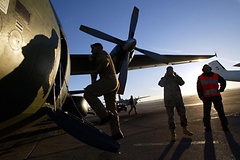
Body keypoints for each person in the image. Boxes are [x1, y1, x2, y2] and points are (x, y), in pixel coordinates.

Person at [84, 43, 124, 140]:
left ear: (98, 48)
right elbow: (92, 58)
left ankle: (104, 115)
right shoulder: (99, 54)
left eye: (92, 48)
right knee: (112, 108)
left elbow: (104, 62)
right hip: (113, 82)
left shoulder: (103, 53)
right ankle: (116, 133)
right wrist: (93, 56)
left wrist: (96, 71)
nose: (91, 51)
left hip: (108, 80)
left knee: (88, 92)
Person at [158, 66, 193, 141]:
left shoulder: (175, 78)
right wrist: (165, 77)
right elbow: (160, 84)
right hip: (169, 101)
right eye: (169, 70)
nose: (170, 72)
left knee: (182, 115)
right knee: (171, 117)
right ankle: (173, 134)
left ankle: (185, 129)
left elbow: (182, 83)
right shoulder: (164, 79)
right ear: (166, 71)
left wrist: (177, 76)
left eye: (171, 70)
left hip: (178, 100)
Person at [197, 64, 229, 132]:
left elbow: (223, 81)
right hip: (206, 98)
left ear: (210, 69)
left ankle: (225, 126)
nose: (207, 69)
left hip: (216, 96)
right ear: (203, 70)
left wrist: (222, 89)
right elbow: (199, 88)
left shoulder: (216, 75)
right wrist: (201, 96)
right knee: (206, 114)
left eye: (208, 68)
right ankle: (207, 128)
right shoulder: (200, 77)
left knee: (221, 112)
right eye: (205, 68)